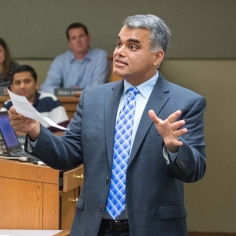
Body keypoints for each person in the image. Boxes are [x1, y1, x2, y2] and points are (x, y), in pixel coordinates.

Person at [8, 14, 206, 236]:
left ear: (157, 57)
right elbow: (68, 154)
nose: (120, 52)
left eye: (132, 46)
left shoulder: (184, 102)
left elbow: (195, 171)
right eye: (119, 43)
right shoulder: (93, 98)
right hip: (94, 228)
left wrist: (174, 147)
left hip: (152, 228)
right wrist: (35, 131)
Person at [40, 22, 111, 94]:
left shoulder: (100, 56)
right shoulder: (60, 60)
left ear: (88, 38)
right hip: (66, 103)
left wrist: (75, 92)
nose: (78, 41)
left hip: (93, 102)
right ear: (69, 43)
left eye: (81, 36)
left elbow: (97, 87)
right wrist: (70, 92)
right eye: (74, 38)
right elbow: (46, 87)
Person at [2, 65, 69, 133]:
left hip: (46, 143)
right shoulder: (7, 105)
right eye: (18, 83)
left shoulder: (50, 100)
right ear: (12, 87)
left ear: (36, 84)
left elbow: (63, 133)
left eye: (27, 81)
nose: (22, 86)